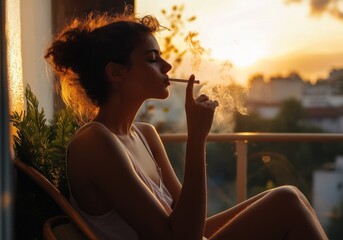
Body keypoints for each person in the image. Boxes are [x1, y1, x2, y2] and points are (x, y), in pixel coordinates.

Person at [44, 9, 328, 240]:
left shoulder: (145, 134)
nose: (167, 67)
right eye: (153, 59)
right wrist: (197, 138)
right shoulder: (94, 142)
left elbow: (192, 224)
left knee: (291, 198)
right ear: (116, 73)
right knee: (287, 202)